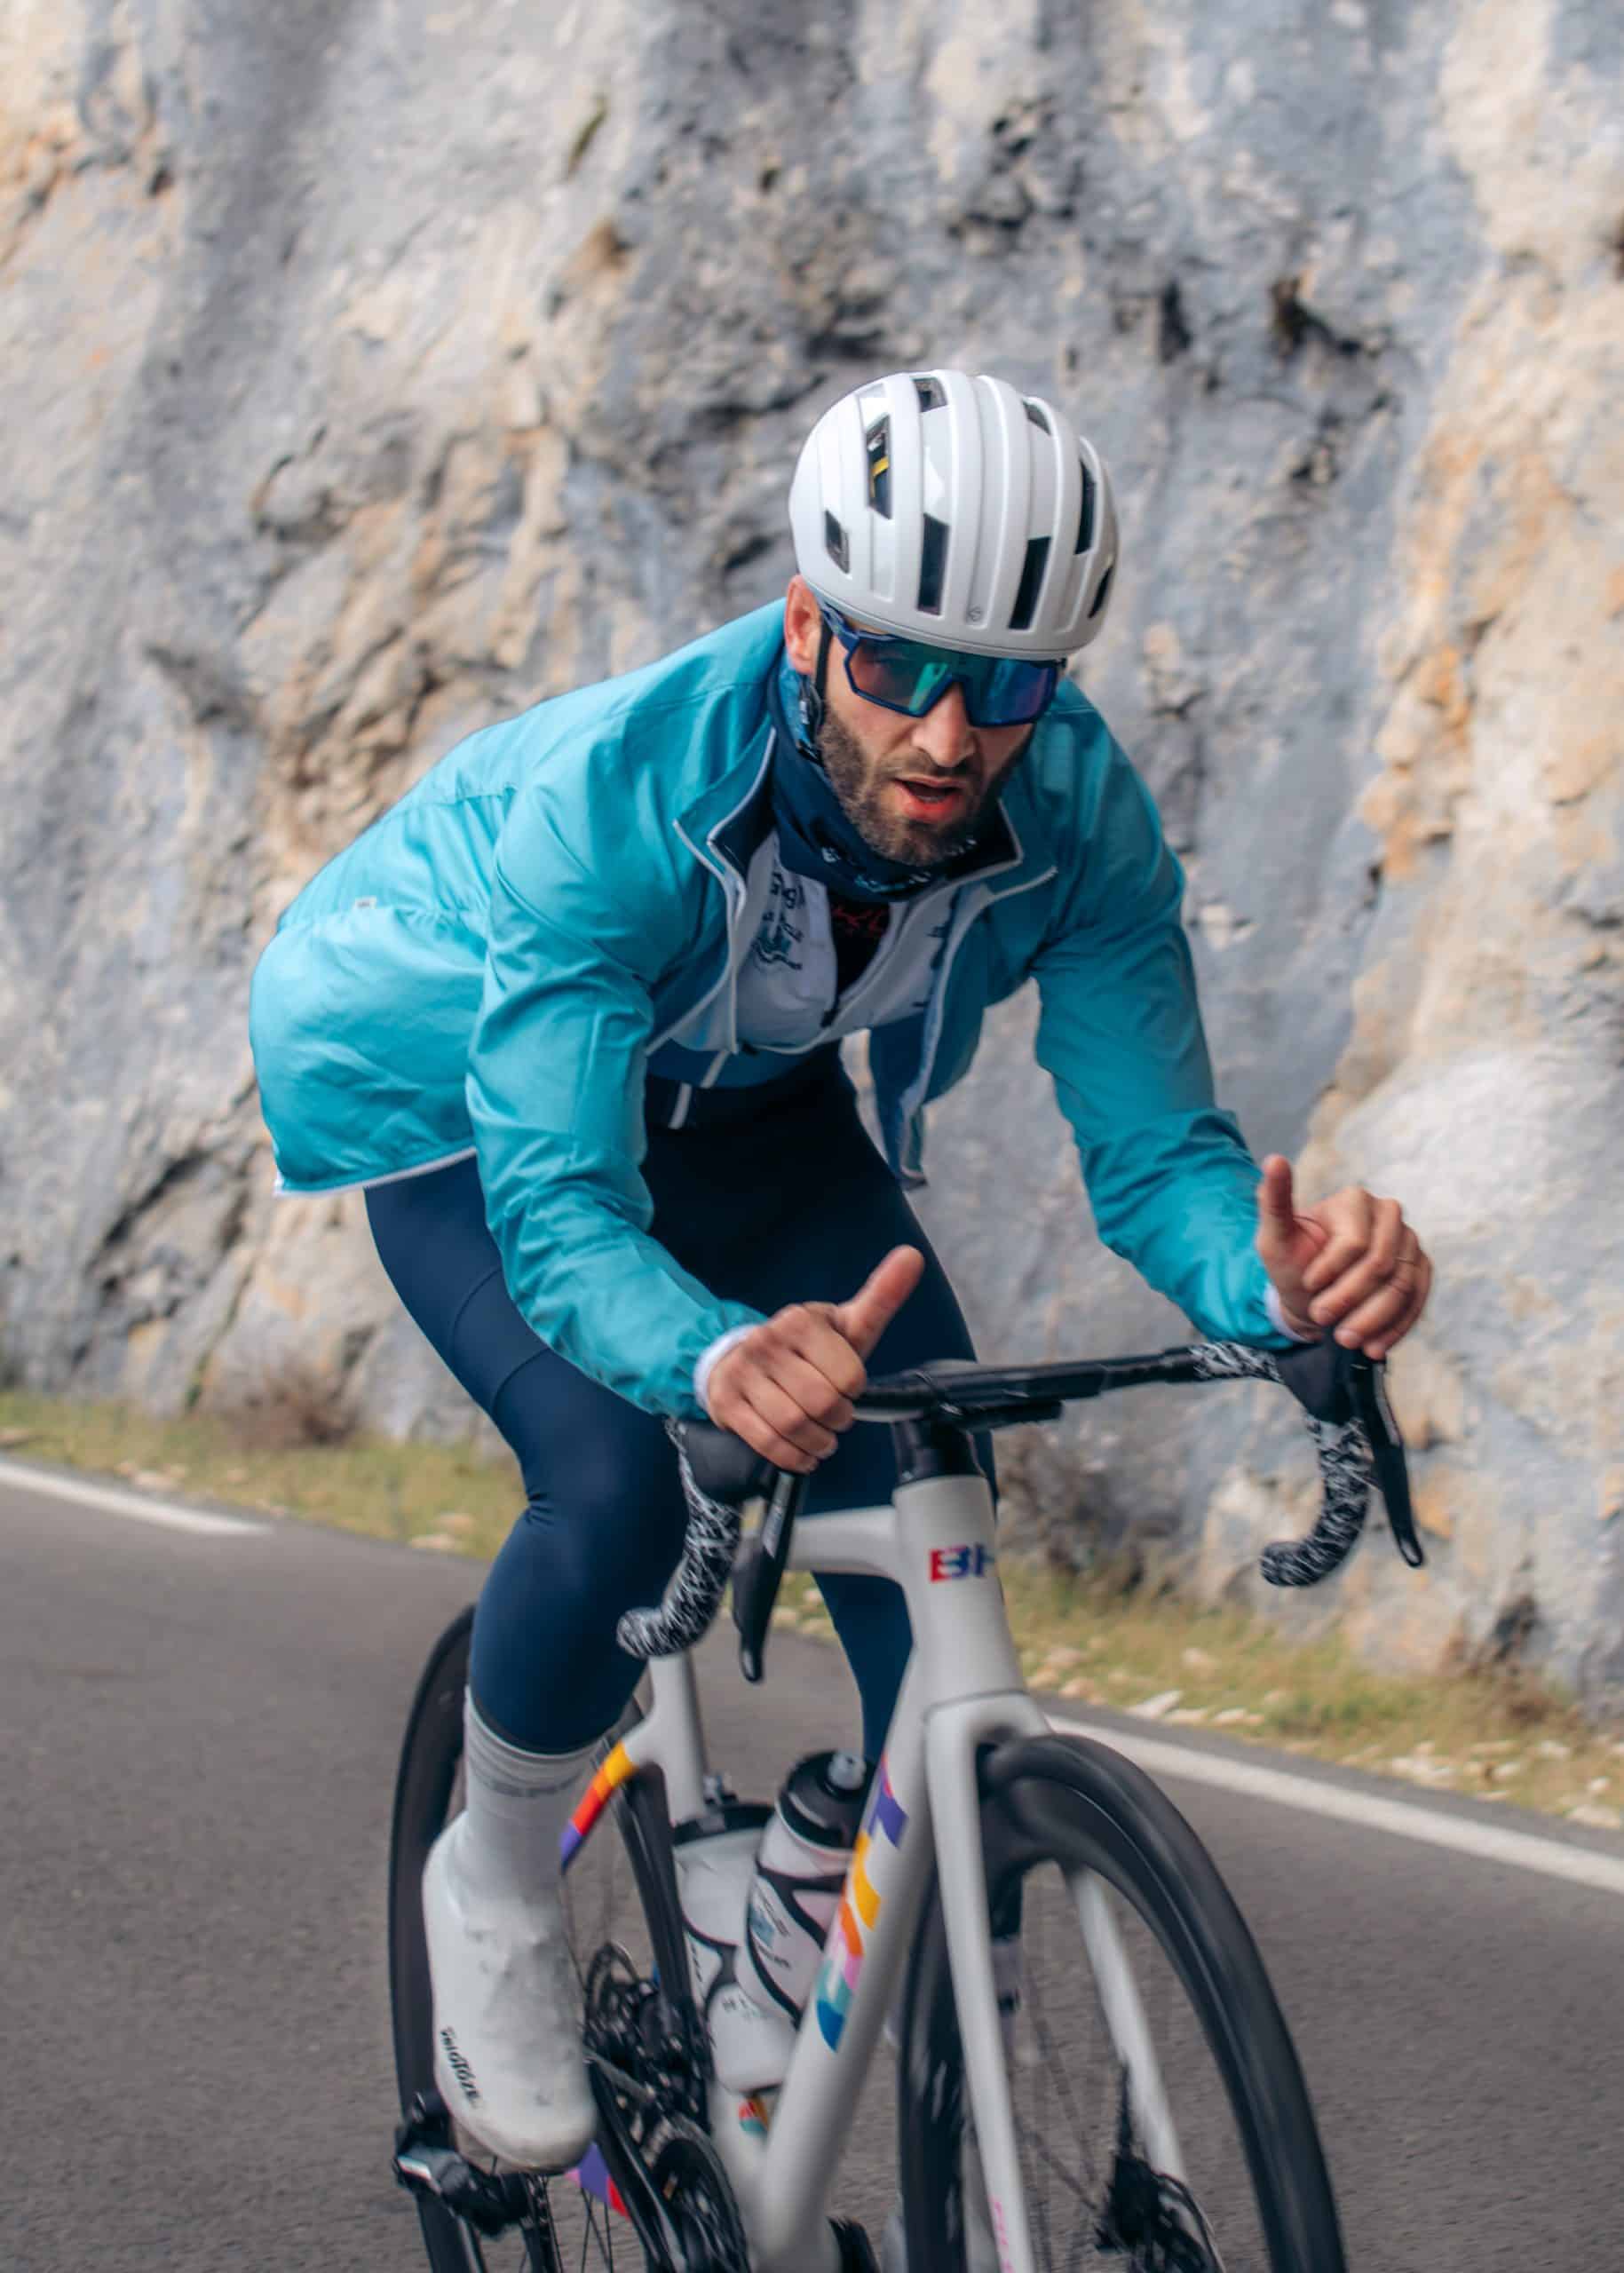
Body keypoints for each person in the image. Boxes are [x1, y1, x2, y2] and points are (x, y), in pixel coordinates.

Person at [249, 368, 1432, 2173]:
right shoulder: (622, 801)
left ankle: (830, 1879)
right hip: (447, 1090)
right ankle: (490, 1873)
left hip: (740, 1077)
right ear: (808, 626)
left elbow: (1161, 1161)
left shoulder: (1080, 812)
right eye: (898, 667)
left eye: (1007, 686)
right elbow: (564, 1213)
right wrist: (712, 1358)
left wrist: (1278, 1288)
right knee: (618, 1478)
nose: (951, 735)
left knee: (931, 1475)